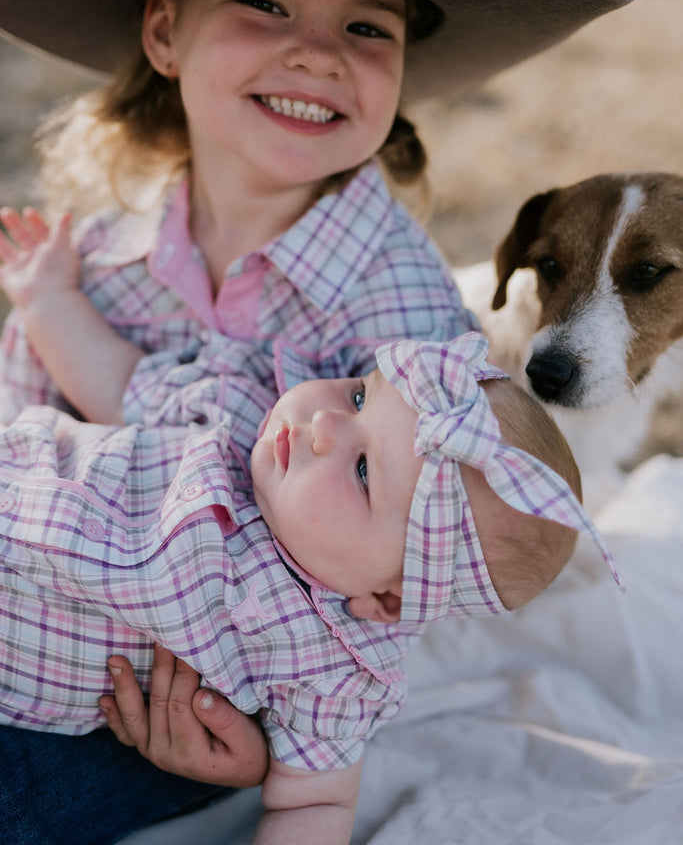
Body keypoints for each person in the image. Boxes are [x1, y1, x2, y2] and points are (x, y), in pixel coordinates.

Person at [0, 0, 636, 835]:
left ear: (399, 67)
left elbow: (393, 597)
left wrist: (256, 750)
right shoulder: (104, 262)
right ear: (164, 31)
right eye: (263, 1)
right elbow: (27, 424)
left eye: (367, 27)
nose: (315, 53)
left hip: (152, 705)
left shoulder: (408, 333)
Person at [0, 324, 619, 843]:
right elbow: (117, 383)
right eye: (358, 398)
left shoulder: (334, 669)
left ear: (388, 600)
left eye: (361, 470)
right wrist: (50, 295)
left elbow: (312, 808)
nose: (323, 422)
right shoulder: (242, 418)